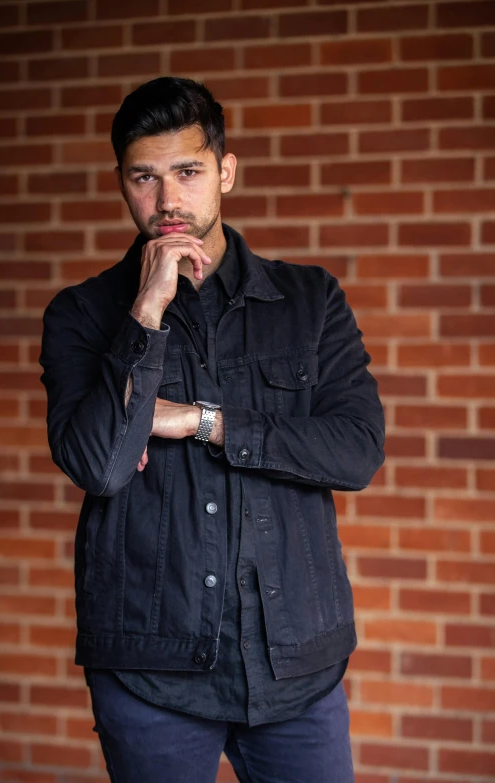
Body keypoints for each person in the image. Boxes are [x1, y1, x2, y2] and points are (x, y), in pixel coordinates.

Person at [39, 76, 385, 783]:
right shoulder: (80, 315)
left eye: (188, 172)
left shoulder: (309, 302)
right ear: (123, 184)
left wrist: (203, 421)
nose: (167, 200)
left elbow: (355, 449)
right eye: (145, 177)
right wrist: (146, 311)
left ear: (225, 170)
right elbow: (101, 464)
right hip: (150, 670)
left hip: (295, 665)